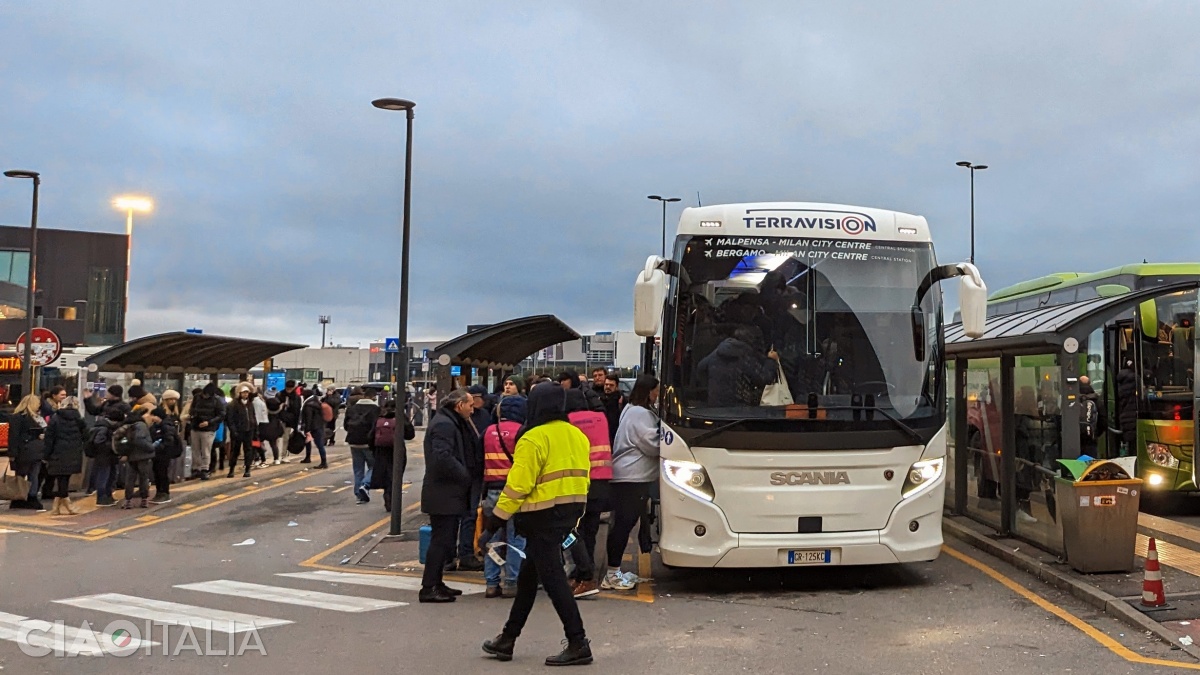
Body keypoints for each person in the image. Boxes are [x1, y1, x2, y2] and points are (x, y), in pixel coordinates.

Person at [479, 383, 593, 666]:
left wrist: (494, 523)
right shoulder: (577, 435)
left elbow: (517, 486)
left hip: (541, 515)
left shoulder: (533, 438)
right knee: (529, 580)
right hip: (570, 512)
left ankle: (578, 641)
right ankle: (508, 638)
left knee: (554, 581)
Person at [420, 389, 479, 603]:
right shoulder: (445, 424)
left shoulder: (450, 421)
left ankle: (436, 582)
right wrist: (465, 475)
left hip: (448, 491)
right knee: (441, 540)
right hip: (444, 492)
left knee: (445, 540)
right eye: (470, 405)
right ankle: (429, 586)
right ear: (459, 405)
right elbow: (442, 457)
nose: (472, 410)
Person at [603, 375, 661, 591]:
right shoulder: (640, 414)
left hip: (628, 476)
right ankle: (612, 573)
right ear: (648, 391)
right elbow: (652, 444)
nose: (657, 395)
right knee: (623, 525)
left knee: (623, 524)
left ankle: (615, 570)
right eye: (656, 391)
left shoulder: (631, 409)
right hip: (632, 477)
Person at [564, 388, 610, 598]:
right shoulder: (601, 418)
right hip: (601, 480)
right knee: (590, 530)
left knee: (572, 531)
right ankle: (585, 570)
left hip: (579, 482)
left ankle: (584, 574)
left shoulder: (568, 421)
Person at [480, 396, 525, 598]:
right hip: (514, 492)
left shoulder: (488, 431)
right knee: (516, 539)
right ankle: (511, 583)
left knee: (493, 537)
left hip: (492, 490)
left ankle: (491, 583)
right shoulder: (523, 432)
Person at [695, 328, 780, 407]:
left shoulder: (717, 352)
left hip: (714, 409)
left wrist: (710, 385)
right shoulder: (745, 357)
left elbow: (700, 368)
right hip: (738, 411)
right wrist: (771, 360)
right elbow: (765, 378)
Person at [43, 397, 88, 516]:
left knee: (61, 479)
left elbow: (49, 438)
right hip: (73, 453)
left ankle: (57, 507)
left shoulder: (55, 418)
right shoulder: (79, 419)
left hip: (57, 452)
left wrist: (46, 455)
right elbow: (86, 436)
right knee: (65, 479)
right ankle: (66, 505)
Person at [370, 399, 414, 512]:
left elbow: (370, 436)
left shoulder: (380, 417)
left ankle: (387, 494)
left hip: (381, 451)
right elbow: (410, 435)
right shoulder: (400, 416)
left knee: (385, 475)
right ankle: (393, 498)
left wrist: (374, 450)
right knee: (396, 475)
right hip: (397, 450)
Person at [8, 394, 48, 511]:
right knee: (32, 475)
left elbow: (13, 437)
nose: (39, 406)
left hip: (26, 451)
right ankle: (31, 497)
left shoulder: (17, 417)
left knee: (22, 475)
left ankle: (18, 498)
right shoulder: (34, 418)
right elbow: (14, 437)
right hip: (30, 451)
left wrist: (12, 454)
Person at [343, 391, 381, 504]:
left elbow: (346, 426)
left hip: (353, 441)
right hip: (369, 442)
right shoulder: (376, 409)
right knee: (374, 466)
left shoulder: (351, 409)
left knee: (358, 469)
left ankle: (359, 495)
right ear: (373, 397)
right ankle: (365, 485)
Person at [117, 406, 155, 509]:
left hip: (130, 456)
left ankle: (128, 500)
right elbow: (140, 440)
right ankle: (144, 500)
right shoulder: (141, 425)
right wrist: (151, 447)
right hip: (143, 455)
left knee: (130, 478)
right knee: (143, 478)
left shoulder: (128, 425)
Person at [188, 384, 225, 481]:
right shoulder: (197, 398)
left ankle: (204, 469)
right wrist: (193, 416)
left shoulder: (216, 401)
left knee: (206, 450)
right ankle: (196, 469)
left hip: (208, 429)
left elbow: (221, 415)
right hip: (195, 427)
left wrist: (209, 422)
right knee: (195, 449)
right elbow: (192, 409)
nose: (205, 396)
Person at [90, 408, 125, 506]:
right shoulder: (104, 428)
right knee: (104, 476)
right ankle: (102, 497)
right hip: (104, 456)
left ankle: (108, 496)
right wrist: (112, 445)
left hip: (108, 456)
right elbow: (99, 442)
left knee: (111, 476)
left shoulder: (105, 426)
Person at [149, 405, 182, 504]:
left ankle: (164, 493)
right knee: (157, 473)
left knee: (162, 473)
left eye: (153, 416)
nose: (152, 418)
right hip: (157, 454)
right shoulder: (155, 426)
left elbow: (169, 441)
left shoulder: (166, 426)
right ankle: (159, 493)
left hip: (164, 454)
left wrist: (159, 447)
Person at [225, 383, 258, 478]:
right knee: (234, 451)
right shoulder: (233, 404)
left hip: (249, 430)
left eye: (247, 393)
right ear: (239, 393)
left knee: (248, 450)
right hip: (238, 431)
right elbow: (230, 419)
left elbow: (253, 416)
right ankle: (231, 470)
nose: (245, 395)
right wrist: (233, 430)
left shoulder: (250, 404)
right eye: (243, 393)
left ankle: (247, 469)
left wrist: (255, 428)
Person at [160, 390, 186, 484]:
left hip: (175, 437)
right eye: (170, 399)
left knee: (174, 460)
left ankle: (173, 476)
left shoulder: (175, 412)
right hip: (166, 438)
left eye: (174, 399)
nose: (173, 402)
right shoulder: (162, 411)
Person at [300, 387, 329, 468]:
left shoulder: (308, 405)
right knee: (316, 443)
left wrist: (307, 429)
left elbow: (308, 418)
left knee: (318, 444)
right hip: (319, 425)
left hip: (313, 427)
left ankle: (323, 462)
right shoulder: (316, 402)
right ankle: (310, 458)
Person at [277, 380, 302, 456]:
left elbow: (297, 410)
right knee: (278, 438)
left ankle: (283, 453)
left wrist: (296, 424)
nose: (289, 391)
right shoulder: (280, 394)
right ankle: (278, 454)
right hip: (280, 419)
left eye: (290, 389)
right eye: (287, 389)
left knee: (286, 438)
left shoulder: (296, 397)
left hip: (289, 421)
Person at [600, 375, 625, 443]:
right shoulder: (600, 399)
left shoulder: (621, 400)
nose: (608, 387)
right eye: (606, 384)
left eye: (611, 385)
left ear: (616, 387)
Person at [251, 384, 270, 468]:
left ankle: (260, 459)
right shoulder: (260, 400)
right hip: (262, 424)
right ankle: (259, 459)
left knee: (256, 443)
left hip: (257, 425)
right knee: (257, 443)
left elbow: (256, 415)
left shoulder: (255, 402)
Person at [263, 396, 285, 465]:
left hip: (264, 428)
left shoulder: (266, 412)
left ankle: (261, 457)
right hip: (275, 429)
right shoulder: (278, 411)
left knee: (258, 442)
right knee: (274, 444)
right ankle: (276, 459)